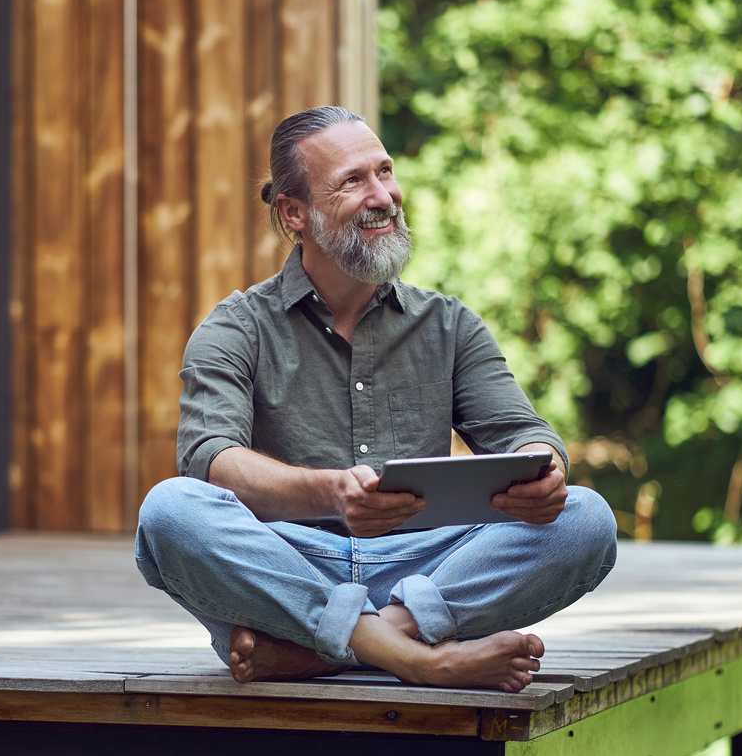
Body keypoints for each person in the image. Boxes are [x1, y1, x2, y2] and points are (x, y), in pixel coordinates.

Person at [134, 106, 618, 691]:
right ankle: (422, 658)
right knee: (170, 511)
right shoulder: (236, 327)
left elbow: (522, 431)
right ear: (295, 213)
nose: (382, 195)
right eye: (352, 181)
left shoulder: (449, 324)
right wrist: (330, 492)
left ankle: (338, 647)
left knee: (585, 517)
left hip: (432, 571)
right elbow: (211, 460)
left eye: (384, 171)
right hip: (290, 565)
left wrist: (547, 466)